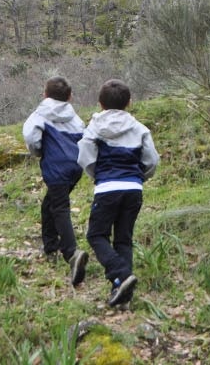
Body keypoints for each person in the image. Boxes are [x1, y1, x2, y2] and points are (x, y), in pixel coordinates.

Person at [77, 79, 159, 307]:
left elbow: (84, 156)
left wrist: (98, 175)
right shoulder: (140, 128)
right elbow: (152, 160)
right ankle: (122, 291)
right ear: (129, 103)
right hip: (133, 188)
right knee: (123, 238)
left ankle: (121, 274)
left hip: (107, 188)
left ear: (100, 103)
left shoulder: (93, 128)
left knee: (96, 235)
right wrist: (140, 176)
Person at [22, 76, 89, 286]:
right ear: (70, 97)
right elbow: (85, 136)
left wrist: (40, 152)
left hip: (56, 168)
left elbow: (31, 138)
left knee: (59, 207)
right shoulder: (75, 117)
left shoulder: (39, 115)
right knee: (49, 204)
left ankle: (71, 253)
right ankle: (50, 246)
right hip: (75, 166)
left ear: (44, 94)